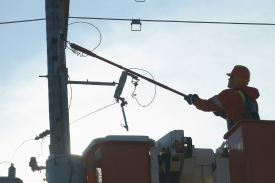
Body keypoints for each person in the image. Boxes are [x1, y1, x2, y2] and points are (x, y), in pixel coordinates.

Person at [184, 65, 260, 130]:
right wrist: (223, 114)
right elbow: (240, 115)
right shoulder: (251, 98)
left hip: (239, 138)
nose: (228, 79)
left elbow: (207, 105)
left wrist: (193, 99)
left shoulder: (230, 94)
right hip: (250, 138)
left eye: (231, 76)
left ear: (237, 78)